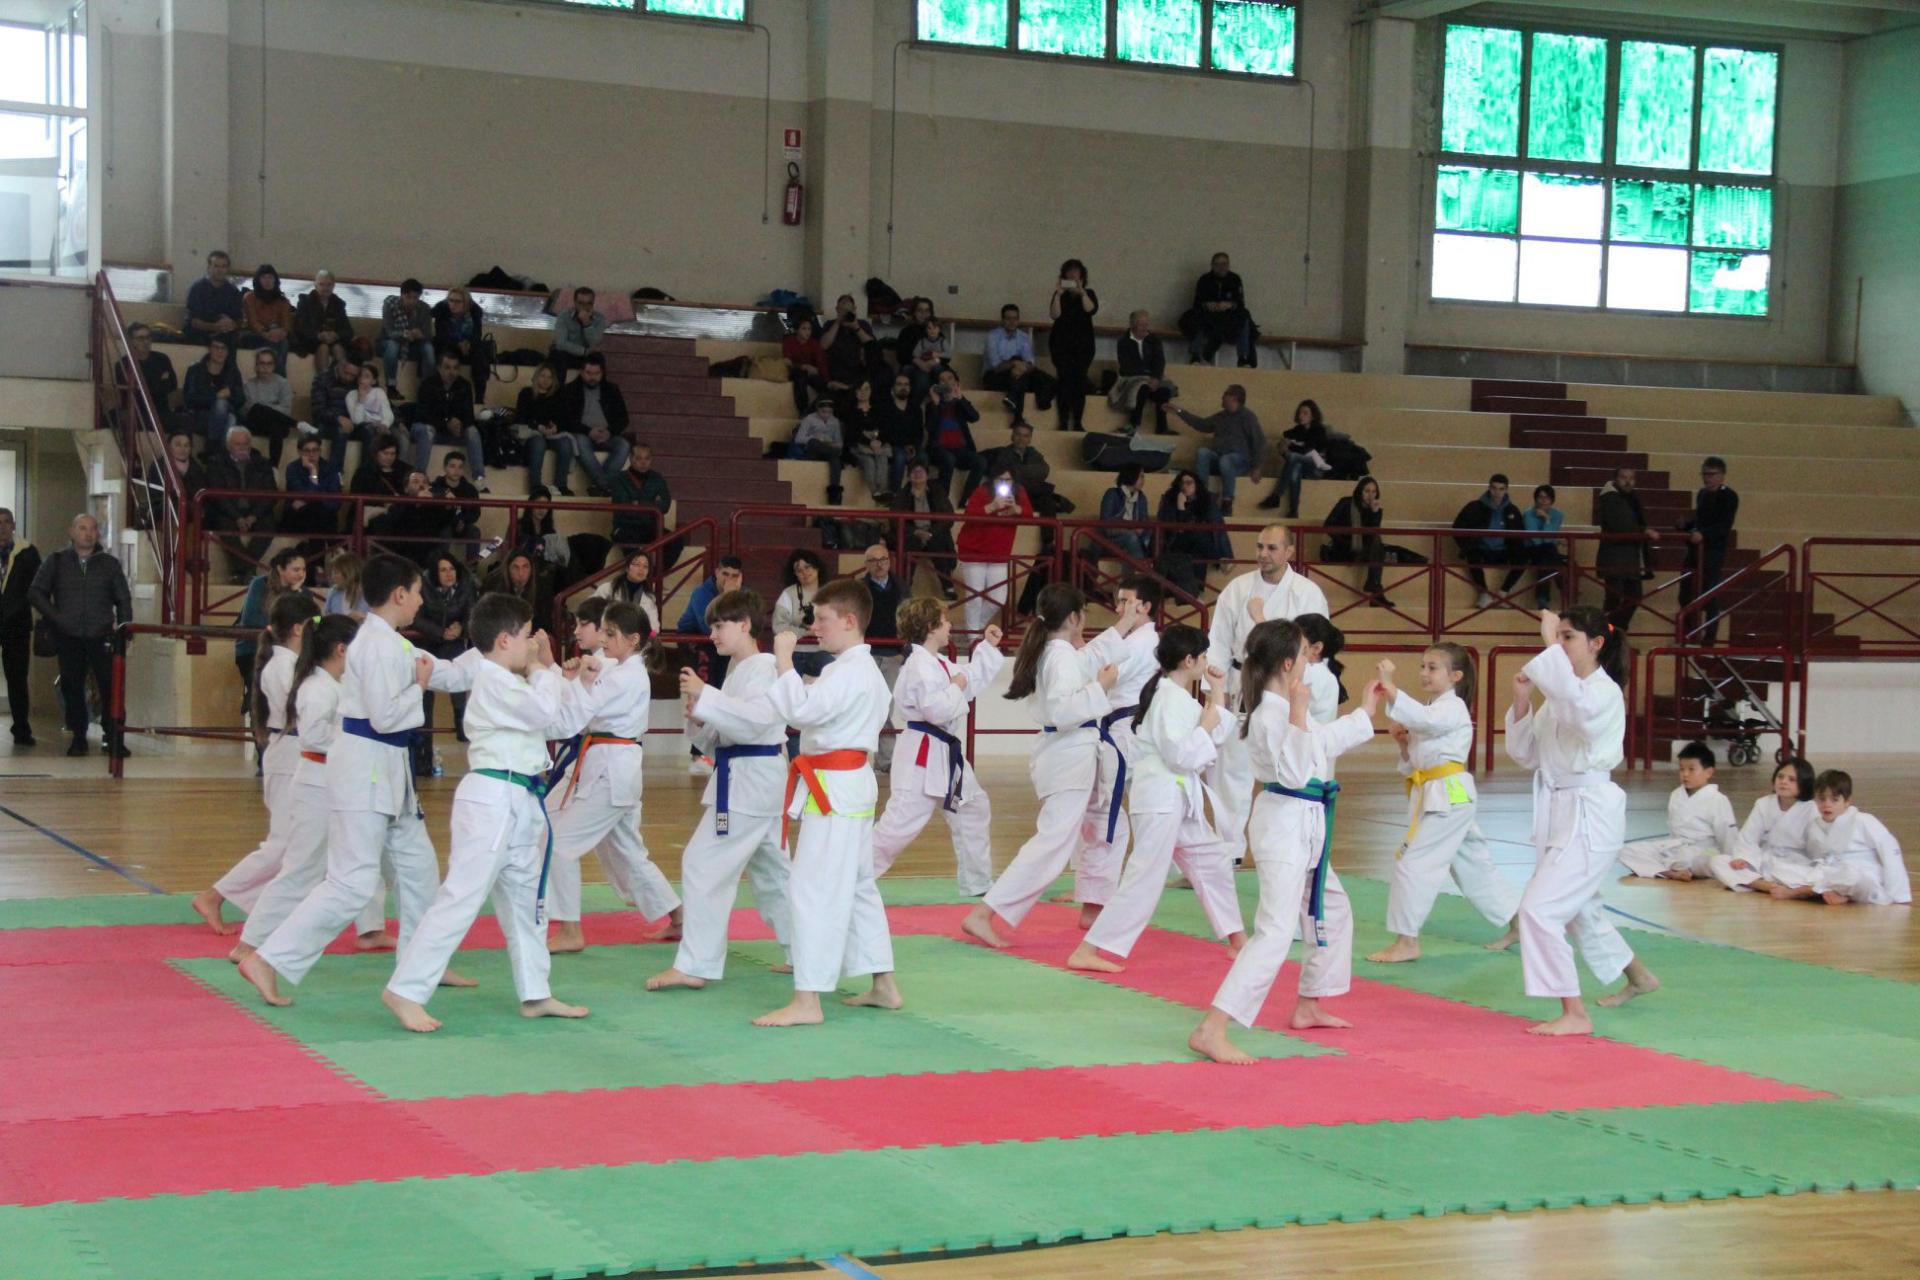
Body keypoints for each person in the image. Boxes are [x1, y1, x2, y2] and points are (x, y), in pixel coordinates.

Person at [238, 554, 478, 1007]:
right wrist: (420, 689)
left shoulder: (388, 640)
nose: (422, 601)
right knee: (351, 883)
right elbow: (388, 717)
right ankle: (268, 959)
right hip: (366, 769)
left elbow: (441, 670)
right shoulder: (377, 644)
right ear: (400, 594)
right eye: (419, 592)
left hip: (386, 774)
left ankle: (422, 963)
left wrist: (492, 655)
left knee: (419, 869)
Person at [380, 593, 598, 1033]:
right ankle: (405, 990)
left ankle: (535, 992)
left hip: (520, 799)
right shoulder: (493, 679)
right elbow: (541, 707)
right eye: (525, 638)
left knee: (526, 902)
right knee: (461, 896)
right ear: (503, 640)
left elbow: (557, 722)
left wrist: (581, 684)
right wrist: (543, 668)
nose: (530, 647)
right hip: (493, 797)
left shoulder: (513, 682)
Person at [1187, 620, 1380, 1065]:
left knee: (1333, 907)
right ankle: (1212, 1026)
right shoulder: (1272, 713)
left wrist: (1364, 714)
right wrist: (1298, 713)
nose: (1312, 663)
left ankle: (1311, 1001)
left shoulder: (1284, 706)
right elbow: (1295, 771)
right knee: (1275, 931)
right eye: (1306, 656)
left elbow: (1320, 742)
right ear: (1290, 664)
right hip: (1284, 824)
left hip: (1306, 823)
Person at [1505, 607, 1662, 1035]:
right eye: (1558, 637)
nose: (1559, 645)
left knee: (1539, 911)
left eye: (1567, 637)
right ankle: (1639, 976)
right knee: (1579, 911)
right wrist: (1522, 703)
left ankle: (1575, 1013)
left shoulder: (1602, 693)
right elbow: (1527, 755)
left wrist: (1545, 646)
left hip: (1590, 812)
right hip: (1559, 808)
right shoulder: (1561, 698)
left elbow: (1578, 712)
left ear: (1596, 644)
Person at [754, 576, 901, 1026]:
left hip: (835, 788)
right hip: (847, 784)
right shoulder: (859, 670)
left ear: (850, 620)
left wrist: (782, 661)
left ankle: (808, 1000)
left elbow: (800, 712)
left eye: (822, 619)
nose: (814, 627)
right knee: (857, 885)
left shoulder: (851, 671)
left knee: (811, 889)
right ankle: (883, 985)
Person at [1069, 626, 1248, 973]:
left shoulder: (1176, 696)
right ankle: (1090, 948)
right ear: (1189, 660)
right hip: (1160, 796)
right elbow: (1180, 755)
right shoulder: (1168, 697)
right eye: (1204, 656)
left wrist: (1220, 694)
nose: (1207, 662)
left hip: (1176, 797)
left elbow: (1217, 733)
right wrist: (1206, 726)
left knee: (1211, 861)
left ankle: (1238, 941)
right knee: (1144, 877)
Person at [649, 588, 795, 990]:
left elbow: (759, 722)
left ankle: (696, 964)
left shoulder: (766, 666)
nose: (712, 633)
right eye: (711, 626)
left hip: (753, 778)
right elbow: (723, 732)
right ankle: (806, 952)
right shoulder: (737, 670)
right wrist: (700, 717)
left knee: (702, 863)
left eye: (719, 625)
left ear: (745, 624)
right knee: (774, 875)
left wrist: (706, 696)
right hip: (750, 776)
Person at [227, 615, 397, 961]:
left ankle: (371, 928)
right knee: (302, 868)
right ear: (341, 649)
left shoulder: (338, 684)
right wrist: (354, 738)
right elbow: (314, 736)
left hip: (339, 781)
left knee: (365, 859)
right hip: (316, 783)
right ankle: (249, 942)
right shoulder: (315, 688)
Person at [961, 584, 1118, 948]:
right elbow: (1064, 711)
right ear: (1075, 617)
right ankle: (983, 914)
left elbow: (1087, 660)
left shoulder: (1055, 650)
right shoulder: (1059, 655)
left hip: (1064, 753)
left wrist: (1124, 626)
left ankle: (1096, 905)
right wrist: (1102, 687)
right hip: (1069, 753)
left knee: (1103, 825)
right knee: (1052, 845)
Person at [544, 600, 684, 953]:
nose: (602, 640)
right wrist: (575, 673)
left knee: (559, 845)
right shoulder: (619, 667)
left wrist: (553, 668)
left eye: (610, 634)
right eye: (602, 631)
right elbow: (588, 684)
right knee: (628, 853)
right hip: (608, 766)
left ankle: (571, 930)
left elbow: (580, 712)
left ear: (633, 639)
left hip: (612, 771)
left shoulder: (629, 676)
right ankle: (680, 917)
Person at [1364, 647, 1520, 963]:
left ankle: (1407, 941)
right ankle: (1523, 925)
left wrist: (1390, 686)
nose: (1424, 673)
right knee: (1473, 865)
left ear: (1455, 676)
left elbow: (1423, 721)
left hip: (1448, 795)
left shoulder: (1453, 707)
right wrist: (1403, 744)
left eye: (1432, 668)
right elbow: (1414, 763)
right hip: (1443, 794)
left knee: (1413, 864)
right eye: (1422, 666)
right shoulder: (1433, 710)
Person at [190, 592, 321, 934]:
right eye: (316, 624)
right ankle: (215, 896)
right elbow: (303, 711)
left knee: (299, 843)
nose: (318, 630)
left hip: (295, 753)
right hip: (288, 753)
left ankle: (267, 907)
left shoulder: (290, 664)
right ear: (299, 628)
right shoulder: (281, 667)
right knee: (281, 843)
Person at [1204, 524, 1330, 860]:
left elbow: (1315, 647)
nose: (1263, 554)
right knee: (1231, 769)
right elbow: (1217, 639)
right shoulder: (1238, 588)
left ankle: (1298, 845)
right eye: (1260, 547)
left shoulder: (1307, 592)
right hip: (1241, 683)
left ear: (1289, 552)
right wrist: (1214, 691)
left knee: (1291, 764)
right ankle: (1228, 849)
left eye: (1272, 548)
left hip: (1286, 691)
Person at [869, 598, 1004, 896]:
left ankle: (978, 883)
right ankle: (853, 875)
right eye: (945, 621)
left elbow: (969, 680)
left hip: (944, 753)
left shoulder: (938, 662)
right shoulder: (919, 666)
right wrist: (955, 686)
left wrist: (987, 648)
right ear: (931, 627)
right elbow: (937, 709)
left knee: (972, 807)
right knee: (899, 824)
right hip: (922, 752)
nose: (950, 625)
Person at [1061, 576, 1164, 922]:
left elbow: (1103, 675)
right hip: (1116, 729)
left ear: (1146, 607)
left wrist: (1076, 653)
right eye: (1118, 601)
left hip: (1124, 733)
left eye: (1126, 601)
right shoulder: (1134, 639)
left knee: (1105, 812)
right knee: (1098, 808)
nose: (1119, 608)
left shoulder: (1143, 642)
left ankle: (1096, 900)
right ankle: (1093, 891)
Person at [28, 514, 133, 757]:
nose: (88, 533)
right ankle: (78, 736)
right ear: (72, 532)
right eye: (82, 528)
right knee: (72, 686)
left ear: (98, 533)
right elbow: (35, 593)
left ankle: (113, 736)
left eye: (92, 529)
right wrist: (57, 617)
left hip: (102, 634)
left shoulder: (110, 564)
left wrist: (125, 629)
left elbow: (123, 598)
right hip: (69, 635)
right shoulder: (56, 561)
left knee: (111, 686)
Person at [1781, 770, 1911, 906]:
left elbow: (1890, 848)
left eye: (1834, 800)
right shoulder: (1816, 825)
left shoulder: (1862, 820)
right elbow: (1815, 857)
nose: (1827, 804)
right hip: (1830, 874)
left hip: (1863, 878)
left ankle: (1809, 891)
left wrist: (1898, 893)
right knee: (1781, 868)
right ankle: (1833, 892)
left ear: (1847, 801)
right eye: (1821, 799)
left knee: (1850, 876)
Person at [1617, 741, 1740, 880]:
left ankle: (1674, 867)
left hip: (1704, 852)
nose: (1685, 774)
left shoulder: (1718, 799)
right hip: (1676, 848)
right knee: (1627, 851)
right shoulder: (1676, 795)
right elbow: (1672, 830)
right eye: (1681, 769)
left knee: (1713, 861)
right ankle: (1670, 873)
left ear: (1709, 772)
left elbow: (1728, 835)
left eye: (1691, 769)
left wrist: (1733, 861)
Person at [1707, 758, 1816, 892]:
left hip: (1794, 863)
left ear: (1804, 784)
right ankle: (1766, 886)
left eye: (1791, 779)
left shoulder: (1812, 809)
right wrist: (1743, 858)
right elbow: (1748, 838)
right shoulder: (1763, 804)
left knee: (1803, 874)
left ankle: (1751, 882)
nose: (1783, 782)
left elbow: (1816, 848)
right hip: (1764, 860)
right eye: (1780, 776)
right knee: (1718, 861)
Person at [954, 467, 1033, 637]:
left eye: (1008, 480)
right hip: (974, 550)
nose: (1004, 483)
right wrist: (991, 506)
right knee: (974, 597)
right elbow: (968, 515)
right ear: (992, 479)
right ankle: (973, 638)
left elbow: (1029, 515)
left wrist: (1016, 510)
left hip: (999, 553)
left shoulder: (1019, 492)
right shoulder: (982, 491)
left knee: (998, 598)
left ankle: (975, 630)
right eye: (1000, 479)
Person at [233, 548, 309, 717]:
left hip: (290, 651)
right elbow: (251, 619)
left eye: (303, 570)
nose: (301, 574)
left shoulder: (303, 593)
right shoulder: (259, 585)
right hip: (254, 649)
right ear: (281, 569)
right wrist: (287, 626)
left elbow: (315, 619)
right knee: (261, 692)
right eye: (296, 570)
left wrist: (296, 593)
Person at [1172, 385, 1263, 517]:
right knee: (1203, 452)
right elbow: (1202, 424)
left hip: (1240, 462)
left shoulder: (1248, 417)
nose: (1222, 397)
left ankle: (1227, 501)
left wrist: (1257, 466)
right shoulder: (1221, 416)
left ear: (1234, 398)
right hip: (1221, 458)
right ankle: (1200, 494)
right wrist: (1180, 412)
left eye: (1225, 394)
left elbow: (1258, 441)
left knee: (1226, 460)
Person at [415, 551, 475, 747]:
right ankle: (423, 748)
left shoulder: (466, 585)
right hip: (427, 643)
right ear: (435, 573)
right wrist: (440, 632)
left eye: (452, 569)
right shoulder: (423, 587)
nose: (449, 574)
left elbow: (472, 615)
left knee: (459, 668)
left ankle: (461, 722)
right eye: (443, 570)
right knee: (425, 696)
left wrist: (461, 628)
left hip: (453, 643)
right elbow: (416, 618)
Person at [204, 426, 279, 580]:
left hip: (255, 511)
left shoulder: (262, 463)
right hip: (228, 511)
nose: (242, 448)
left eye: (245, 444)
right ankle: (247, 570)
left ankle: (241, 571)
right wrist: (237, 517)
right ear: (228, 445)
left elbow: (271, 493)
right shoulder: (216, 463)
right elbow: (218, 496)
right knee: (223, 523)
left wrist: (254, 516)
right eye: (237, 444)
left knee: (269, 524)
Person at [1680, 457, 1740, 644]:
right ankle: (1689, 632)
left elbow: (1723, 526)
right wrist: (1686, 525)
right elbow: (1699, 520)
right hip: (1696, 549)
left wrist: (1703, 534)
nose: (1708, 478)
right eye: (1705, 474)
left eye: (1712, 474)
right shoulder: (1702, 494)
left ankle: (1709, 636)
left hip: (1713, 551)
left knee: (1710, 593)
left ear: (1722, 475)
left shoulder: (1729, 496)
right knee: (1685, 592)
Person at [409, 353, 489, 491]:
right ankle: (419, 477)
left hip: (454, 433)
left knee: (472, 431)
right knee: (427, 430)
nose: (451, 372)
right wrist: (446, 422)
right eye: (447, 367)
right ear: (439, 368)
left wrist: (459, 424)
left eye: (455, 368)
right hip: (430, 430)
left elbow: (469, 416)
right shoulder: (428, 384)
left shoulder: (464, 385)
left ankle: (479, 479)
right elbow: (423, 415)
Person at [1595, 467, 1658, 632]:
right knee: (1614, 599)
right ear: (1616, 479)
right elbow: (1620, 525)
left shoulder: (1631, 498)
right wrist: (1643, 531)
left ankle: (1615, 633)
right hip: (1615, 557)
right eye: (1624, 477)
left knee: (1632, 597)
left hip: (1629, 557)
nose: (1628, 481)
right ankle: (1608, 635)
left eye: (1632, 478)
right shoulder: (1610, 498)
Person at [1451, 473, 1526, 609]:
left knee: (1523, 559)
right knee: (1472, 556)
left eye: (1501, 489)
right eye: (1494, 488)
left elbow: (1519, 535)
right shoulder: (1473, 507)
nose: (1497, 492)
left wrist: (1516, 548)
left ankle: (1503, 593)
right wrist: (1467, 545)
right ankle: (1484, 594)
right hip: (1481, 550)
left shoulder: (1512, 510)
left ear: (1506, 490)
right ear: (1489, 488)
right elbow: (1457, 527)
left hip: (1503, 551)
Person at [0, 509, 42, 746]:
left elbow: (38, 586)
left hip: (16, 623)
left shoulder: (27, 553)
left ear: (13, 525)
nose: (2, 527)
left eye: (6, 522)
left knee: (17, 677)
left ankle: (21, 729)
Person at [562, 353, 631, 495]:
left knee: (624, 445)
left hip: (608, 435)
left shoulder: (612, 390)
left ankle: (600, 486)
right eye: (588, 373)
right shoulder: (570, 390)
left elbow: (623, 418)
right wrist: (588, 431)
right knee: (580, 441)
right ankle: (605, 486)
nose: (592, 377)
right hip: (583, 434)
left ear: (602, 372)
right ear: (581, 372)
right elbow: (566, 419)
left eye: (596, 373)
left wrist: (609, 432)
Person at [980, 303, 1054, 426]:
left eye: (1015, 319)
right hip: (993, 376)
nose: (1012, 322)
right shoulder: (992, 336)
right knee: (1019, 368)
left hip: (1017, 376)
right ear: (1002, 320)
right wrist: (1015, 363)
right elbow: (996, 366)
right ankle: (1020, 416)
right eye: (1008, 319)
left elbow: (1030, 363)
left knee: (1044, 378)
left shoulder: (1023, 337)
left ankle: (1015, 404)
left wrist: (1021, 367)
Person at [1047, 259, 1099, 432]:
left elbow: (1090, 310)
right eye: (1069, 272)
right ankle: (1063, 420)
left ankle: (1077, 420)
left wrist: (1082, 292)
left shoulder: (1089, 293)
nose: (1072, 275)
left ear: (1082, 275)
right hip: (1061, 345)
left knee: (1079, 381)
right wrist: (1058, 294)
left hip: (1083, 346)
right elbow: (1054, 315)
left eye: (1076, 272)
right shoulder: (1059, 295)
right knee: (1064, 381)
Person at [1156, 470, 1224, 597]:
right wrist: (1180, 506)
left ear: (1196, 485)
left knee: (1199, 552)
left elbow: (1215, 527)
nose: (1185, 486)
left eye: (1189, 483)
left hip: (1195, 544)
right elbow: (1176, 527)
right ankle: (1219, 559)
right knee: (1198, 535)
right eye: (1182, 483)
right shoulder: (1170, 501)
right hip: (1174, 540)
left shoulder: (1203, 502)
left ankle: (1198, 592)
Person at [892, 461, 957, 597]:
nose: (917, 474)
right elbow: (894, 519)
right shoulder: (903, 494)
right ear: (909, 476)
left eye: (921, 471)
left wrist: (931, 533)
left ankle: (948, 587)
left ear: (927, 475)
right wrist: (915, 532)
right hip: (913, 533)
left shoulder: (937, 491)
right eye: (914, 472)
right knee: (908, 548)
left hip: (934, 532)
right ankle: (904, 590)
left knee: (938, 545)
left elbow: (948, 516)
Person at [1260, 399, 1330, 518]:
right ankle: (1293, 510)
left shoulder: (1319, 430)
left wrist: (1291, 446)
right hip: (1302, 467)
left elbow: (1307, 450)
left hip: (1317, 468)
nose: (1301, 416)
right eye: (1300, 413)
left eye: (1305, 413)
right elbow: (1285, 440)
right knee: (1295, 467)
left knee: (1294, 457)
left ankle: (1276, 496)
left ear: (1313, 416)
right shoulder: (1297, 430)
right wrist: (1286, 445)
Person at [923, 368, 984, 504]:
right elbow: (930, 427)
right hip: (939, 449)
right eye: (942, 380)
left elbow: (974, 417)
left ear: (956, 382)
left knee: (980, 461)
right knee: (948, 459)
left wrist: (960, 398)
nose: (946, 382)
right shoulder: (932, 405)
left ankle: (967, 500)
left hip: (961, 450)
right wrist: (936, 403)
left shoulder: (960, 402)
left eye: (950, 378)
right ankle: (942, 500)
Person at [1188, 251, 1256, 368]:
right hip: (1209, 316)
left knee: (1244, 317)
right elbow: (1197, 302)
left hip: (1229, 317)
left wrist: (1230, 305)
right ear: (1212, 266)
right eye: (1217, 264)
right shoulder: (1204, 280)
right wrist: (1207, 305)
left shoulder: (1235, 279)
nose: (1221, 267)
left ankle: (1243, 358)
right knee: (1194, 317)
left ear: (1228, 265)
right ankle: (1196, 355)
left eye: (1224, 264)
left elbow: (1240, 303)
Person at [1111, 310, 1173, 435]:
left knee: (1164, 392)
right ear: (1133, 325)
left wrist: (1156, 378)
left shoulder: (1154, 340)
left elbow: (1159, 362)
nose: (1145, 328)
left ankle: (1162, 427)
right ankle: (1133, 424)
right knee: (1142, 388)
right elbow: (1127, 365)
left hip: (1151, 378)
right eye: (1141, 325)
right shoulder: (1123, 341)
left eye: (1146, 324)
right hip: (1131, 378)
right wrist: (1146, 377)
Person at [517, 364, 575, 495]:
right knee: (539, 442)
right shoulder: (526, 393)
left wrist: (556, 427)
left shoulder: (558, 397)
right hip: (533, 433)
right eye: (543, 376)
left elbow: (566, 420)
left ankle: (561, 484)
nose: (546, 380)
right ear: (537, 377)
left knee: (566, 443)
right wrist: (538, 427)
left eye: (549, 377)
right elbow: (521, 417)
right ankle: (535, 485)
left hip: (552, 434)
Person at [431, 285, 490, 406]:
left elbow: (477, 335)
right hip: (448, 345)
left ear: (465, 303)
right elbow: (441, 336)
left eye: (457, 301)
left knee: (479, 355)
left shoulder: (474, 312)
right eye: (451, 301)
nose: (453, 304)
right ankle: (440, 394)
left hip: (468, 347)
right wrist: (458, 344)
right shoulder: (441, 310)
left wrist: (468, 344)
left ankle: (479, 398)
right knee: (443, 354)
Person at [182, 335, 244, 448]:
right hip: (200, 416)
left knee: (228, 413)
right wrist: (216, 396)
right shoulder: (195, 370)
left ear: (228, 351)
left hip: (225, 413)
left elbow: (241, 400)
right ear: (209, 349)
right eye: (216, 347)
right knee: (228, 415)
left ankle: (212, 452)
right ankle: (217, 453)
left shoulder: (233, 372)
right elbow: (189, 399)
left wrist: (230, 394)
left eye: (224, 348)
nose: (220, 351)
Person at [238, 347, 296, 465]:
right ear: (256, 365)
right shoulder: (249, 385)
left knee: (275, 424)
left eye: (269, 364)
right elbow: (248, 411)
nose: (265, 367)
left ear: (274, 366)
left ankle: (274, 468)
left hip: (277, 425)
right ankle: (297, 424)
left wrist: (264, 407)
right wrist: (271, 406)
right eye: (262, 363)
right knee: (257, 409)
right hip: (256, 424)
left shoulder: (283, 384)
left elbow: (286, 410)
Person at [378, 278, 434, 393]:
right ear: (402, 295)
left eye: (415, 298)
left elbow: (428, 334)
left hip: (414, 344)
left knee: (429, 348)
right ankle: (391, 386)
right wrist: (404, 334)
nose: (412, 302)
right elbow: (389, 332)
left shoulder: (424, 308)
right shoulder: (390, 304)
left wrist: (420, 335)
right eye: (409, 297)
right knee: (393, 345)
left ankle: (428, 387)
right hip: (388, 341)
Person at [291, 269, 353, 371]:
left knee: (338, 348)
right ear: (315, 285)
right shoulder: (305, 302)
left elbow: (348, 331)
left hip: (334, 342)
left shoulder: (338, 304)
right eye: (321, 284)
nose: (325, 288)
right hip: (310, 341)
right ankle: (323, 382)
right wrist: (319, 335)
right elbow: (300, 328)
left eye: (328, 285)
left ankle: (343, 380)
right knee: (324, 347)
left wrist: (336, 335)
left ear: (333, 286)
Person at [238, 263, 293, 372]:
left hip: (276, 337)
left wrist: (281, 332)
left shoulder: (283, 301)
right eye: (263, 277)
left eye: (270, 277)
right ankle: (279, 381)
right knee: (276, 343)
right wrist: (265, 333)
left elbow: (286, 324)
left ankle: (277, 381)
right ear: (258, 280)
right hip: (253, 335)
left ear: (275, 280)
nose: (267, 280)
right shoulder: (249, 297)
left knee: (283, 343)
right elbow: (253, 322)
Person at [310, 355, 362, 470]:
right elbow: (318, 410)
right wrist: (337, 418)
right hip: (326, 422)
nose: (348, 378)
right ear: (339, 366)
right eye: (346, 372)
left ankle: (367, 474)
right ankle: (335, 477)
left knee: (370, 431)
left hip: (352, 422)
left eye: (353, 376)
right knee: (341, 431)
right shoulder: (323, 379)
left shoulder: (359, 382)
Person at [792, 396, 847, 504]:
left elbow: (840, 443)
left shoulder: (835, 421)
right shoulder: (809, 419)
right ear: (817, 410)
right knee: (815, 443)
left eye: (829, 412)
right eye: (823, 412)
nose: (826, 415)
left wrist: (830, 443)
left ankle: (834, 491)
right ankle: (838, 455)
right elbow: (799, 439)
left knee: (834, 459)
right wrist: (816, 437)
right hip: (812, 449)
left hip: (828, 449)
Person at [876, 370, 924, 496]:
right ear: (893, 388)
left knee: (924, 457)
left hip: (912, 446)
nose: (903, 387)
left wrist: (913, 446)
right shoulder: (886, 407)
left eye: (906, 384)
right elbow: (886, 431)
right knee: (900, 456)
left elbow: (919, 432)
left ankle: (920, 495)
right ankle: (895, 494)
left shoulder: (915, 408)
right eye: (900, 384)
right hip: (893, 445)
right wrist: (904, 446)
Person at [594, 548, 662, 636]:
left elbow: (654, 629)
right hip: (607, 639)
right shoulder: (607, 589)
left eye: (645, 566)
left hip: (635, 643)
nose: (641, 569)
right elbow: (590, 611)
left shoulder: (649, 598)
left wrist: (646, 637)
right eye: (637, 564)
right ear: (627, 568)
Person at [844, 379, 892, 502]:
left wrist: (879, 441)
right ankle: (875, 491)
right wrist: (869, 442)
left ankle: (883, 490)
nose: (863, 392)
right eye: (860, 389)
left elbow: (886, 428)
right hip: (858, 446)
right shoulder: (850, 411)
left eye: (866, 389)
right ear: (855, 392)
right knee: (869, 462)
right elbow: (852, 433)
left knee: (882, 458)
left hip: (878, 443)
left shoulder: (878, 409)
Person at [488, 549, 554, 636]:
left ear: (531, 570)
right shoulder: (495, 588)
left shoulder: (542, 589)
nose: (521, 573)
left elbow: (544, 625)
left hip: (531, 637)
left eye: (525, 567)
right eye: (515, 568)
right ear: (508, 570)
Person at [821, 294, 881, 390]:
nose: (846, 314)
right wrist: (838, 322)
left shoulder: (862, 325)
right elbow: (823, 345)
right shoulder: (830, 325)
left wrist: (856, 327)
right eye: (842, 310)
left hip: (858, 371)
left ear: (854, 309)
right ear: (837, 309)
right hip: (836, 371)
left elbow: (872, 347)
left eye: (848, 310)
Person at [857, 544, 905, 664]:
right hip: (866, 654)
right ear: (866, 564)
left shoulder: (902, 588)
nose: (879, 564)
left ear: (889, 561)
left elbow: (911, 620)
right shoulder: (858, 590)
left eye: (883, 559)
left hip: (896, 653)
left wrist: (905, 653)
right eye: (873, 560)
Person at [184, 249, 243, 343]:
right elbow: (193, 321)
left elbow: (239, 319)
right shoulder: (197, 289)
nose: (220, 270)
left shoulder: (233, 291)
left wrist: (232, 324)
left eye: (224, 266)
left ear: (228, 269)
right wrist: (215, 327)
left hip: (226, 334)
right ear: (208, 268)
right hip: (201, 334)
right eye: (216, 266)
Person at [1523, 484, 1566, 610]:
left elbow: (1548, 539)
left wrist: (1547, 519)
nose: (1543, 501)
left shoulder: (1557, 515)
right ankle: (1564, 587)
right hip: (1532, 550)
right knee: (1549, 554)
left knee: (1548, 561)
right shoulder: (1528, 514)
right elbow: (1536, 540)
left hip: (1547, 552)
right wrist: (1548, 522)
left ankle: (1542, 598)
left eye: (1546, 498)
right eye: (1540, 497)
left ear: (1552, 500)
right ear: (1535, 499)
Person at [1098, 463, 1152, 561]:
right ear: (1132, 475)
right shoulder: (1112, 494)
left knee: (1152, 538)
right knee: (1130, 537)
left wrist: (1141, 529)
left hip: (1135, 538)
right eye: (1141, 476)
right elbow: (1105, 523)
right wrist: (1130, 528)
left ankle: (1143, 570)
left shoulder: (1141, 497)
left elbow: (1145, 520)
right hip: (1111, 540)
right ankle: (1140, 570)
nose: (1144, 480)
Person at [549, 286, 607, 376]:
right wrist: (584, 351)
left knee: (599, 358)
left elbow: (595, 343)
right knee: (557, 355)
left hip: (586, 357)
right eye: (581, 303)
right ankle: (559, 389)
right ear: (575, 303)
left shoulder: (599, 319)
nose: (585, 307)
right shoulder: (564, 316)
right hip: (566, 354)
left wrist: (587, 324)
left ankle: (597, 389)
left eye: (589, 303)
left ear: (593, 304)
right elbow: (561, 343)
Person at [772, 548, 826, 640]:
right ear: (795, 574)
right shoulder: (788, 594)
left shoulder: (830, 593)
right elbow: (778, 626)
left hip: (823, 649)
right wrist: (805, 632)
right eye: (799, 570)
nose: (804, 573)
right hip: (795, 648)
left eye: (807, 567)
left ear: (817, 567)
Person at [782, 316, 830, 416]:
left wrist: (826, 379)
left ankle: (811, 410)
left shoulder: (814, 344)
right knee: (800, 378)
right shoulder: (789, 342)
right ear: (797, 330)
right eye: (804, 328)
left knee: (825, 387)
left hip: (811, 372)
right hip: (796, 371)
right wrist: (802, 367)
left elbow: (821, 362)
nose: (807, 332)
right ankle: (802, 410)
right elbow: (788, 361)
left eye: (809, 329)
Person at [432, 452, 483, 546]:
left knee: (474, 532)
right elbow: (433, 512)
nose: (456, 470)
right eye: (452, 466)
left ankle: (473, 561)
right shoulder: (436, 486)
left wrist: (463, 521)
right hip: (442, 524)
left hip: (463, 524)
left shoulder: (470, 489)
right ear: (445, 467)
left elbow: (476, 512)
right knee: (444, 531)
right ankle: (442, 559)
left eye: (460, 467)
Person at [346, 363, 396, 450]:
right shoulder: (351, 395)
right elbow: (357, 421)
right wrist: (361, 400)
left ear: (374, 381)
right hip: (363, 428)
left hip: (381, 426)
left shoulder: (379, 392)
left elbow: (387, 412)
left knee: (398, 436)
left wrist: (384, 425)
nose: (362, 379)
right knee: (369, 430)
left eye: (366, 376)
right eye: (360, 376)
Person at [349, 434, 409, 507]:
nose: (389, 457)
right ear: (376, 453)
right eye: (385, 453)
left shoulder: (404, 469)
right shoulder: (364, 472)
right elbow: (357, 497)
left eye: (392, 454)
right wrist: (383, 503)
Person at [907, 316, 951, 402]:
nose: (932, 330)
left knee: (940, 370)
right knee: (908, 370)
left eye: (935, 328)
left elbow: (948, 354)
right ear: (926, 330)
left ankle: (941, 391)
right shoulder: (922, 341)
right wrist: (922, 358)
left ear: (939, 329)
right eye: (929, 328)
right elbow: (915, 354)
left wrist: (938, 354)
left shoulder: (942, 341)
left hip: (937, 364)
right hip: (923, 365)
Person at [323, 549, 367, 619]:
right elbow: (326, 617)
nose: (332, 577)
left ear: (349, 573)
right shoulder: (333, 592)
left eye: (336, 573)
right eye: (332, 573)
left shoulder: (368, 594)